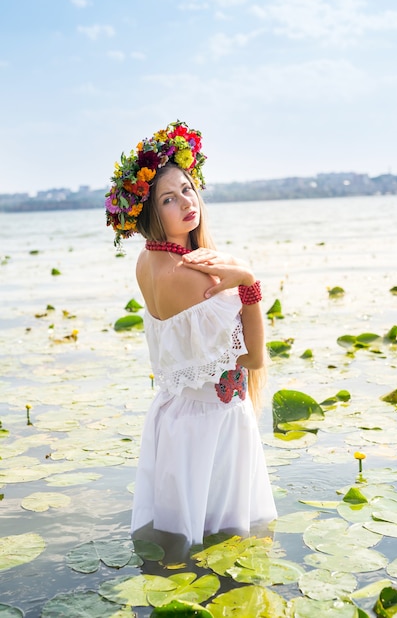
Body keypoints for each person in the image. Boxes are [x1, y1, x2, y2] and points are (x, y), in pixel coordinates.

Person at [106, 121, 277, 555]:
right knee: (227, 550)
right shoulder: (192, 276)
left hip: (174, 416)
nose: (186, 202)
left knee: (176, 551)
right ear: (148, 214)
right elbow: (254, 359)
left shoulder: (148, 261)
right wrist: (248, 281)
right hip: (212, 424)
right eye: (168, 198)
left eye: (187, 188)